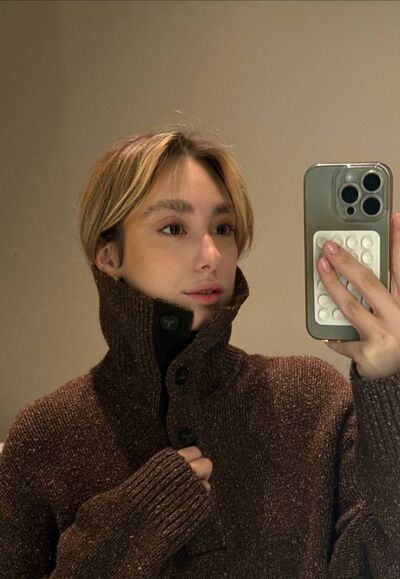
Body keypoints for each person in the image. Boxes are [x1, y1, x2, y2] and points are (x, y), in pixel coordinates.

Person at [1, 129, 400, 578]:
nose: (211, 255)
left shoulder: (310, 401)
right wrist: (126, 534)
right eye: (174, 228)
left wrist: (389, 384)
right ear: (109, 254)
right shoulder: (44, 436)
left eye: (223, 228)